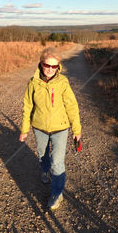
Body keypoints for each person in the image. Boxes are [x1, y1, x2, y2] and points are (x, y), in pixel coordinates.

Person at [19, 47, 82, 210]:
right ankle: (45, 170)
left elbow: (72, 106)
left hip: (60, 128)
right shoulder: (33, 82)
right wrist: (24, 130)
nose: (50, 69)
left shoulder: (63, 83)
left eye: (54, 66)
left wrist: (76, 130)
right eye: (47, 65)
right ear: (41, 64)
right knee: (42, 155)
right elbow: (27, 106)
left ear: (58, 67)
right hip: (39, 127)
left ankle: (57, 194)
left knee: (58, 161)